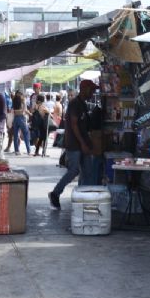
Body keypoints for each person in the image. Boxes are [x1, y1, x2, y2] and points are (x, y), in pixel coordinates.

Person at [48, 79, 96, 209]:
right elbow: (74, 125)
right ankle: (55, 193)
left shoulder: (83, 104)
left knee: (88, 172)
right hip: (75, 145)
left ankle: (84, 198)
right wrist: (83, 143)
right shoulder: (75, 104)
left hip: (82, 143)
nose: (93, 92)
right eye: (91, 89)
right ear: (84, 89)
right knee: (74, 171)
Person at [10, 90, 30, 155]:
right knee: (26, 135)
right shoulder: (23, 101)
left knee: (15, 135)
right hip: (22, 118)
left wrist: (16, 112)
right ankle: (28, 150)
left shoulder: (14, 101)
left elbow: (12, 111)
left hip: (15, 119)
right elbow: (24, 110)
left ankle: (16, 150)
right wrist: (29, 113)